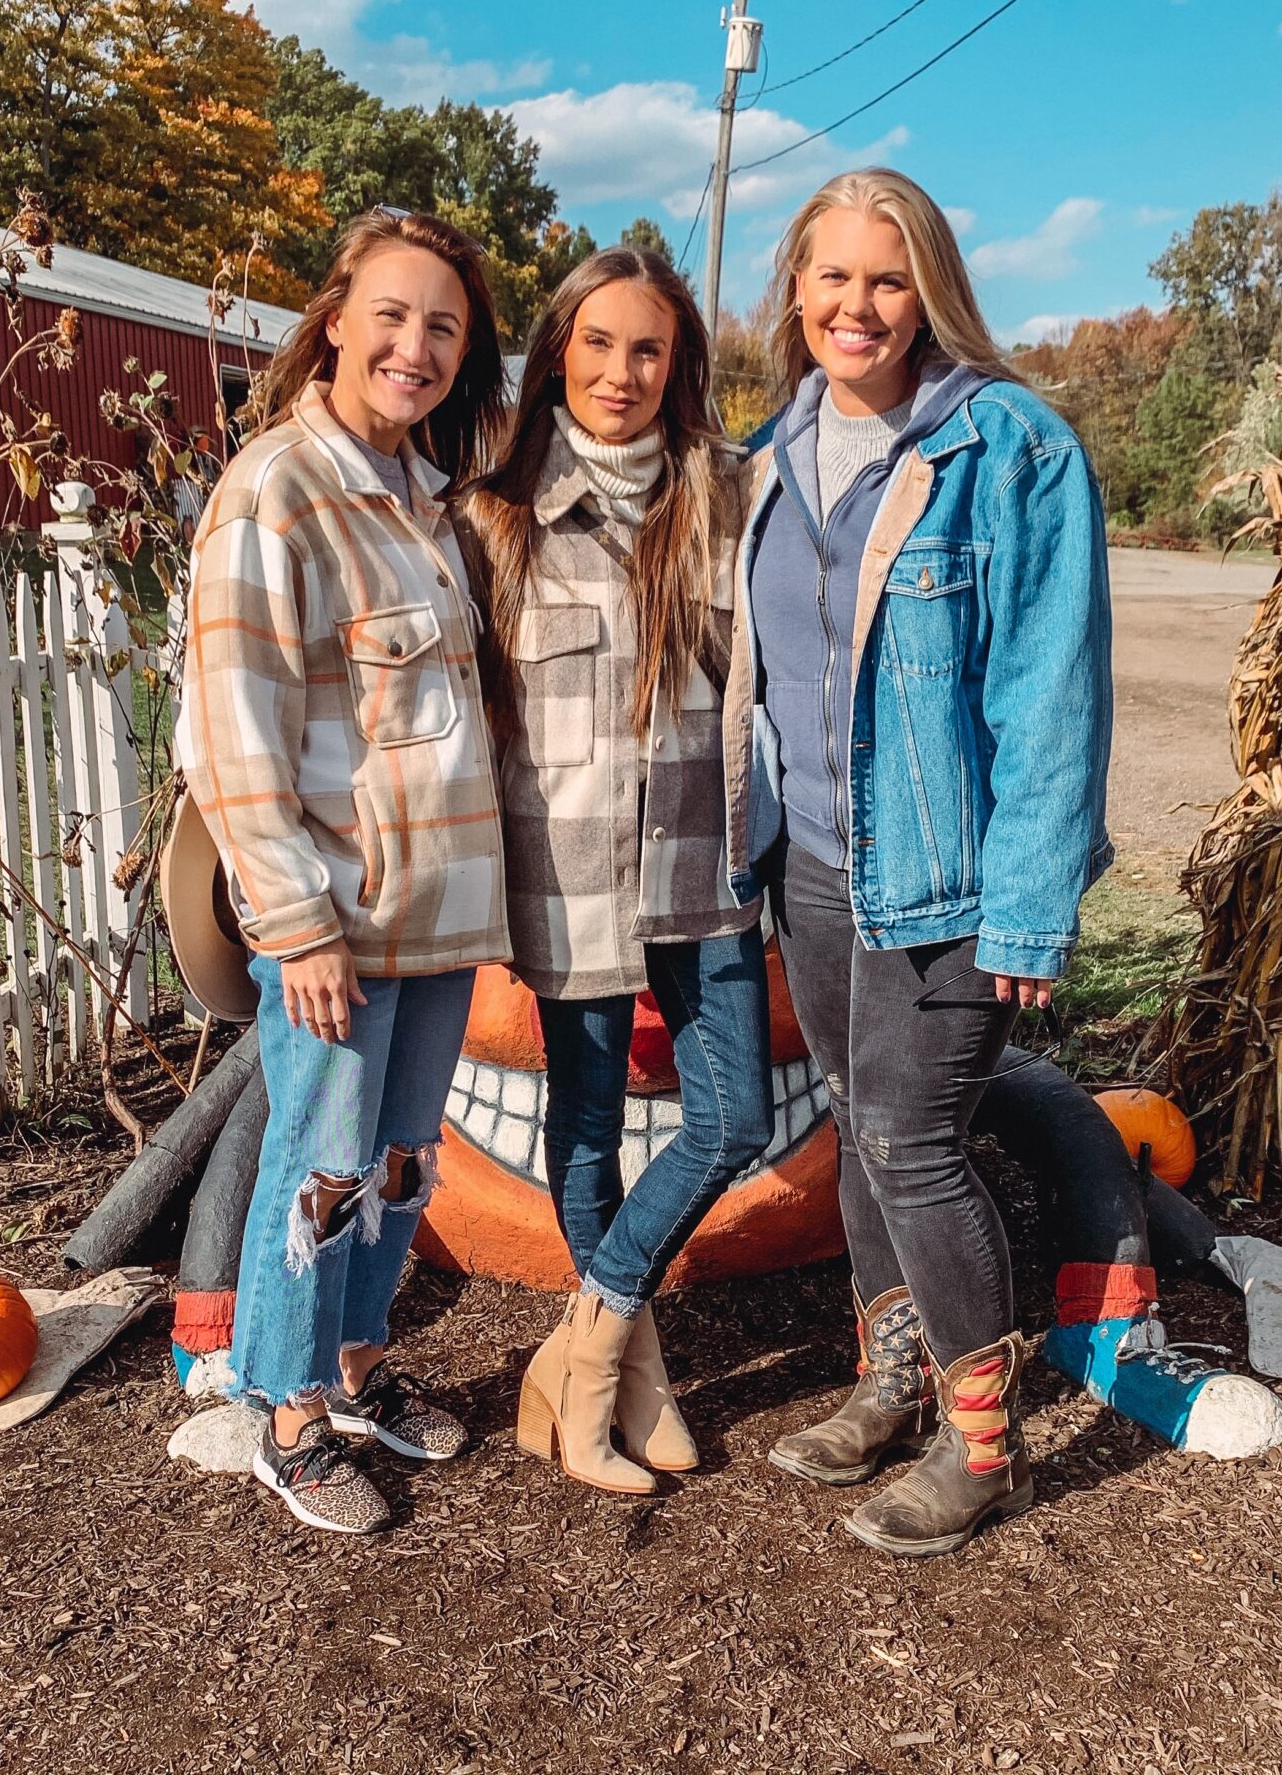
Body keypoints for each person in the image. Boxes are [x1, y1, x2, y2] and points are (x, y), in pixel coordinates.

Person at [732, 167, 1116, 1556]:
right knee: (859, 1119)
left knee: (912, 1139)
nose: (857, 305)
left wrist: (1029, 912)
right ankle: (890, 1381)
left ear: (931, 287)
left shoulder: (1009, 449)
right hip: (815, 872)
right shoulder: (770, 456)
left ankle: (985, 1448)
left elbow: (1051, 695)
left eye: (886, 279)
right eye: (831, 277)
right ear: (795, 290)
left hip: (947, 878)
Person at [176, 207, 510, 1533]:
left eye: (443, 327)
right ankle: (286, 1411)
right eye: (393, 315)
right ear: (335, 319)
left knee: (401, 1161)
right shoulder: (277, 488)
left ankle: (359, 1370)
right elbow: (232, 727)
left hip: (434, 917)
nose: (415, 347)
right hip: (338, 918)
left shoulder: (422, 495)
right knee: (317, 1167)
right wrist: (296, 925)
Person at [461, 246, 774, 1496]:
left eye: (647, 349)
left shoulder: (733, 494)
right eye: (597, 344)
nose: (620, 372)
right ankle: (630, 1383)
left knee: (737, 1116)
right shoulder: (498, 514)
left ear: (679, 364)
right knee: (585, 1126)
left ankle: (583, 1351)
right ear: (557, 356)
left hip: (705, 861)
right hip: (572, 868)